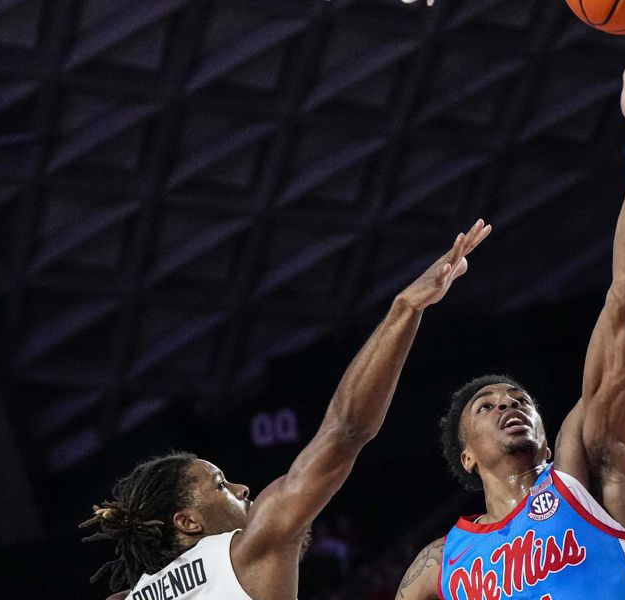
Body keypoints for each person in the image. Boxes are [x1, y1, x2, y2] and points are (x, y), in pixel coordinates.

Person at [396, 11, 625, 600]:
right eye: (488, 405)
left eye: (518, 398)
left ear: (549, 436)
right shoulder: (440, 564)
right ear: (467, 457)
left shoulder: (586, 465)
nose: (508, 405)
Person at [80, 220, 492, 600]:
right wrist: (406, 308)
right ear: (188, 522)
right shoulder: (249, 550)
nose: (243, 490)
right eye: (220, 484)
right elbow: (345, 430)